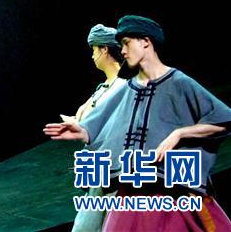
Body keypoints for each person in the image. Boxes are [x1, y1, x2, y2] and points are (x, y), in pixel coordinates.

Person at [44, 15, 231, 231]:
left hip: (169, 190)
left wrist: (179, 134)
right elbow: (102, 124)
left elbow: (223, 119)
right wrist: (81, 131)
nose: (122, 51)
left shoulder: (178, 82)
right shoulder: (128, 88)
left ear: (145, 42)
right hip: (131, 191)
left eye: (126, 43)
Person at [65, 23, 127, 232]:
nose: (92, 56)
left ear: (104, 49)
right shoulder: (103, 89)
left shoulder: (122, 86)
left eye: (94, 50)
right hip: (99, 174)